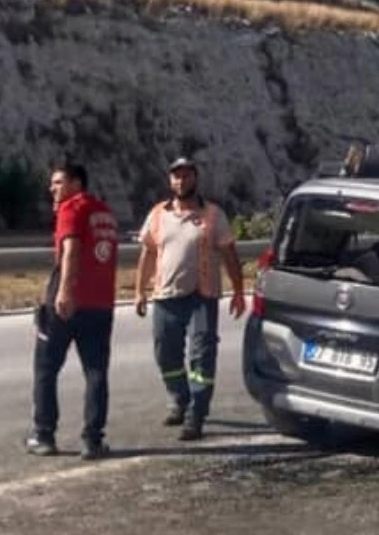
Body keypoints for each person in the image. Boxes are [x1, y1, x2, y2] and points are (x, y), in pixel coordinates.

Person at [134, 157, 246, 441]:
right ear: (170, 181)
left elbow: (230, 254)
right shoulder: (158, 214)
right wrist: (139, 291)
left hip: (202, 296)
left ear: (195, 179)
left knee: (202, 355)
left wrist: (238, 291)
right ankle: (179, 398)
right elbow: (148, 253)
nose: (181, 181)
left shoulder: (213, 215)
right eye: (176, 177)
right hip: (166, 295)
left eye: (186, 176)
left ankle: (197, 413)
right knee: (165, 352)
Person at [27, 163, 119, 460]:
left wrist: (65, 290)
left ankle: (44, 435)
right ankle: (93, 440)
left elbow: (72, 249)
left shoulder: (71, 208)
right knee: (96, 372)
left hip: (67, 305)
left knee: (45, 369)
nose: (52, 189)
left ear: (76, 183)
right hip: (100, 305)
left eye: (58, 182)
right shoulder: (104, 212)